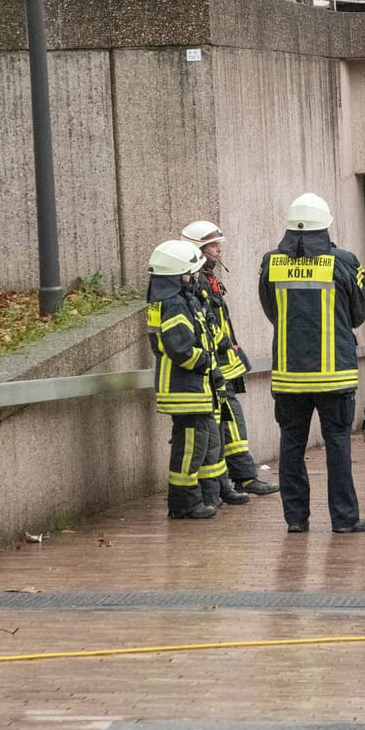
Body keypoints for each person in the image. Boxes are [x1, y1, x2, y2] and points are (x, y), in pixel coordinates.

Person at [258, 192, 365, 534]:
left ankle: (295, 519)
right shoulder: (345, 262)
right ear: (326, 226)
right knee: (338, 447)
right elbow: (358, 313)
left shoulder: (271, 262)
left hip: (289, 376)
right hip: (335, 376)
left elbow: (270, 310)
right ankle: (344, 520)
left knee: (291, 447)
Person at [180, 220, 276, 497]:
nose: (219, 249)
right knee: (226, 424)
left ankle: (238, 479)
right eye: (212, 245)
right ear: (197, 248)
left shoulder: (207, 278)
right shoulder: (196, 282)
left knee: (230, 424)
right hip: (214, 365)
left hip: (225, 363)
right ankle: (238, 480)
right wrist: (223, 345)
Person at [147, 240, 227, 519]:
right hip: (184, 388)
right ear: (177, 273)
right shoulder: (173, 304)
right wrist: (206, 362)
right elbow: (180, 348)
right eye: (190, 273)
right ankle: (184, 502)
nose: (195, 277)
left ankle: (202, 496)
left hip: (193, 387)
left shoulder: (182, 300)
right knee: (189, 447)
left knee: (200, 444)